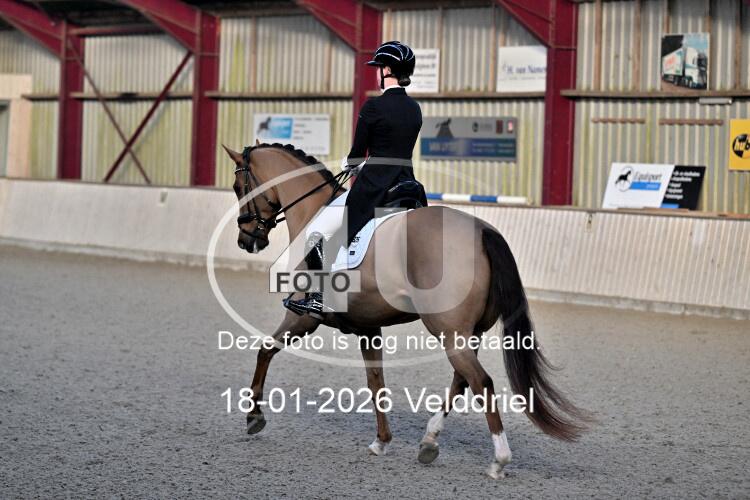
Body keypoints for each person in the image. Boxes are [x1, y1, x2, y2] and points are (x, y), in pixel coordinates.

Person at [284, 41, 425, 319]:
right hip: (407, 184)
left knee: (316, 231)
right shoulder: (415, 108)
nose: (376, 72)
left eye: (378, 68)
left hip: (375, 185)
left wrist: (350, 166)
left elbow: (358, 153)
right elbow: (397, 149)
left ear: (386, 70)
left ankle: (319, 298)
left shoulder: (374, 107)